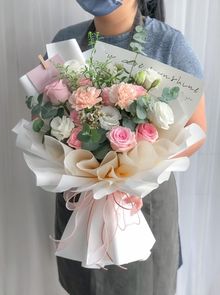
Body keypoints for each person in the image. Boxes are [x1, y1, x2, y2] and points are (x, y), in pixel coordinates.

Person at [50, 1, 207, 294]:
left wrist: (132, 169)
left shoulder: (169, 44)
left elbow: (196, 131)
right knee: (84, 283)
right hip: (81, 199)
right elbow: (45, 119)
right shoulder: (65, 41)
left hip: (141, 202)